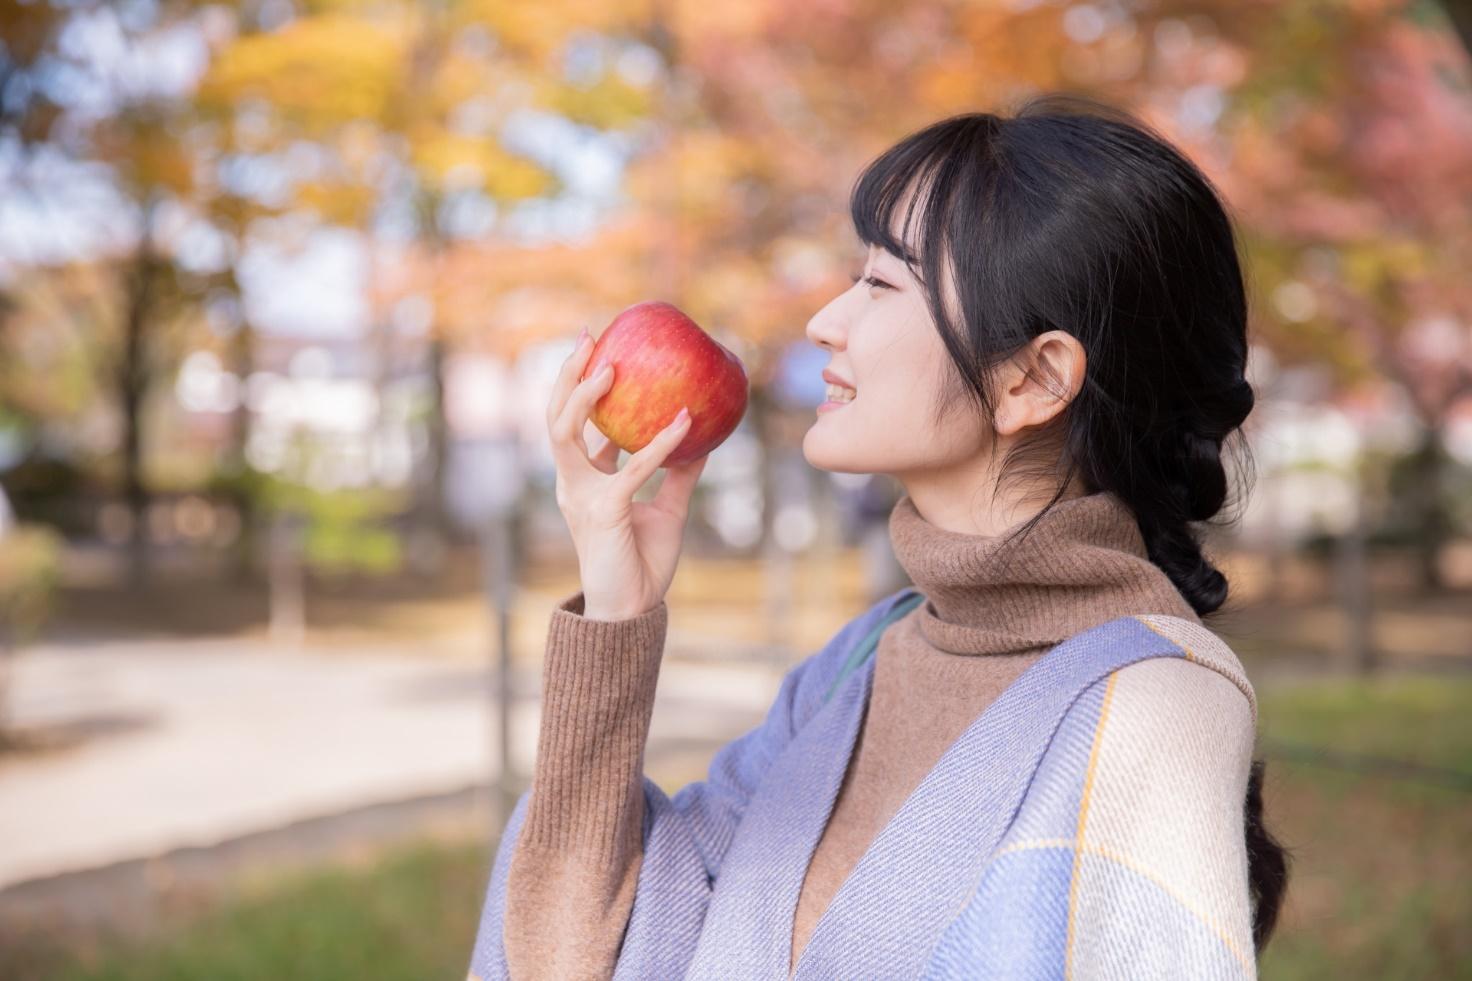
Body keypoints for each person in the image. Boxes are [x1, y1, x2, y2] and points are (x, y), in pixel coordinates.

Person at [468, 93, 1290, 980]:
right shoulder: (855, 666)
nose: (827, 320)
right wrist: (617, 611)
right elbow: (570, 952)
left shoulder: (1156, 707)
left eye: (882, 283)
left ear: (1033, 378)